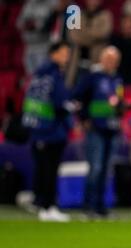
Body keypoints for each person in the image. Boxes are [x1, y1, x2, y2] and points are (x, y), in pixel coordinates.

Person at [73, 46, 129, 219]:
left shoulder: (117, 79)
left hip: (112, 128)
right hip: (95, 128)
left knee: (106, 170)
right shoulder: (92, 77)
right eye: (108, 59)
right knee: (95, 168)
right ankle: (88, 206)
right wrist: (83, 120)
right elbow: (78, 98)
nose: (111, 63)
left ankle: (100, 206)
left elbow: (117, 102)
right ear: (102, 59)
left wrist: (122, 110)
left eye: (114, 60)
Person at [22, 41, 75, 222]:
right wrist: (71, 111)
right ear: (53, 54)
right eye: (63, 53)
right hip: (52, 131)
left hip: (37, 128)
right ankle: (49, 206)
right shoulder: (54, 75)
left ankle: (41, 204)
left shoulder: (37, 75)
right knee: (50, 170)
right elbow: (60, 103)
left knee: (43, 169)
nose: (66, 58)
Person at [67, 0, 113, 87]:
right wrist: (92, 37)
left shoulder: (106, 15)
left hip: (96, 59)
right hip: (77, 59)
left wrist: (83, 34)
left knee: (93, 87)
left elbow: (103, 33)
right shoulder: (76, 12)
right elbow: (73, 35)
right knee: (74, 87)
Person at [16, 0, 55, 75]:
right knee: (30, 77)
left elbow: (43, 25)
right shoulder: (29, 3)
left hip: (43, 47)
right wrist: (28, 24)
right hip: (29, 47)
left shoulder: (51, 3)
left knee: (43, 75)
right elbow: (19, 23)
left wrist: (31, 24)